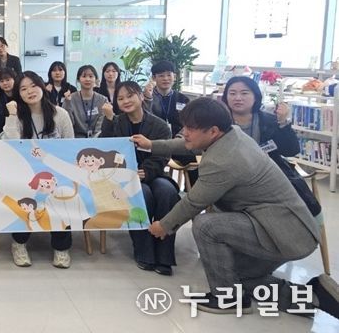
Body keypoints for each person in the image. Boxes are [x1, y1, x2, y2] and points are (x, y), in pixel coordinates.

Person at [132, 98, 339, 316]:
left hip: (284, 232)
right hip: (286, 226)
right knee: (234, 274)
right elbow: (187, 143)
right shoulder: (232, 134)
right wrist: (152, 145)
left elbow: (193, 202)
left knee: (205, 225)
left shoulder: (223, 161)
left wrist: (164, 226)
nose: (185, 132)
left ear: (213, 131)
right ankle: (313, 296)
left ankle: (228, 298)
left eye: (190, 128)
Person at [0, 71, 75, 268]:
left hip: (56, 172)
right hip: (25, 173)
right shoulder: (18, 117)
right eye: (23, 89)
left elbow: (70, 146)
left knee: (61, 194)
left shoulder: (60, 114)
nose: (30, 91)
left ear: (42, 86)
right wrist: (12, 115)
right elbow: (10, 146)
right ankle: (19, 243)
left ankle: (61, 247)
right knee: (22, 194)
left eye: (33, 86)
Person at [101, 81, 178, 276]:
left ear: (141, 96)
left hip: (154, 174)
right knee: (141, 193)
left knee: (167, 192)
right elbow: (105, 148)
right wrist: (108, 120)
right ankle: (144, 250)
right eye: (120, 98)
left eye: (130, 96)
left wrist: (146, 171)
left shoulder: (160, 125)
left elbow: (163, 155)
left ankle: (165, 255)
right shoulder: (116, 122)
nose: (126, 101)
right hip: (125, 178)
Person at [220, 76, 321, 217]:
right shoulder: (219, 122)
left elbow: (291, 150)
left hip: (269, 175)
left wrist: (283, 123)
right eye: (232, 93)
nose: (238, 98)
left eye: (244, 93)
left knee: (297, 207)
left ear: (256, 97)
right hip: (232, 177)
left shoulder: (269, 120)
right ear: (225, 97)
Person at [143, 60, 189, 134]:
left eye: (169, 75)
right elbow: (145, 119)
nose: (165, 78)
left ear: (174, 77)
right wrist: (148, 98)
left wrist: (179, 137)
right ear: (154, 78)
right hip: (153, 137)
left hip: (177, 137)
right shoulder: (147, 97)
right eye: (161, 75)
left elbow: (188, 123)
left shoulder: (182, 99)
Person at [63, 65, 108, 138]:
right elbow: (68, 123)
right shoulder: (70, 99)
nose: (87, 79)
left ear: (96, 79)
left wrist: (95, 139)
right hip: (75, 139)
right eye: (84, 76)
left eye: (91, 76)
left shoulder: (103, 100)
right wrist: (68, 103)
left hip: (98, 139)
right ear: (78, 79)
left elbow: (101, 125)